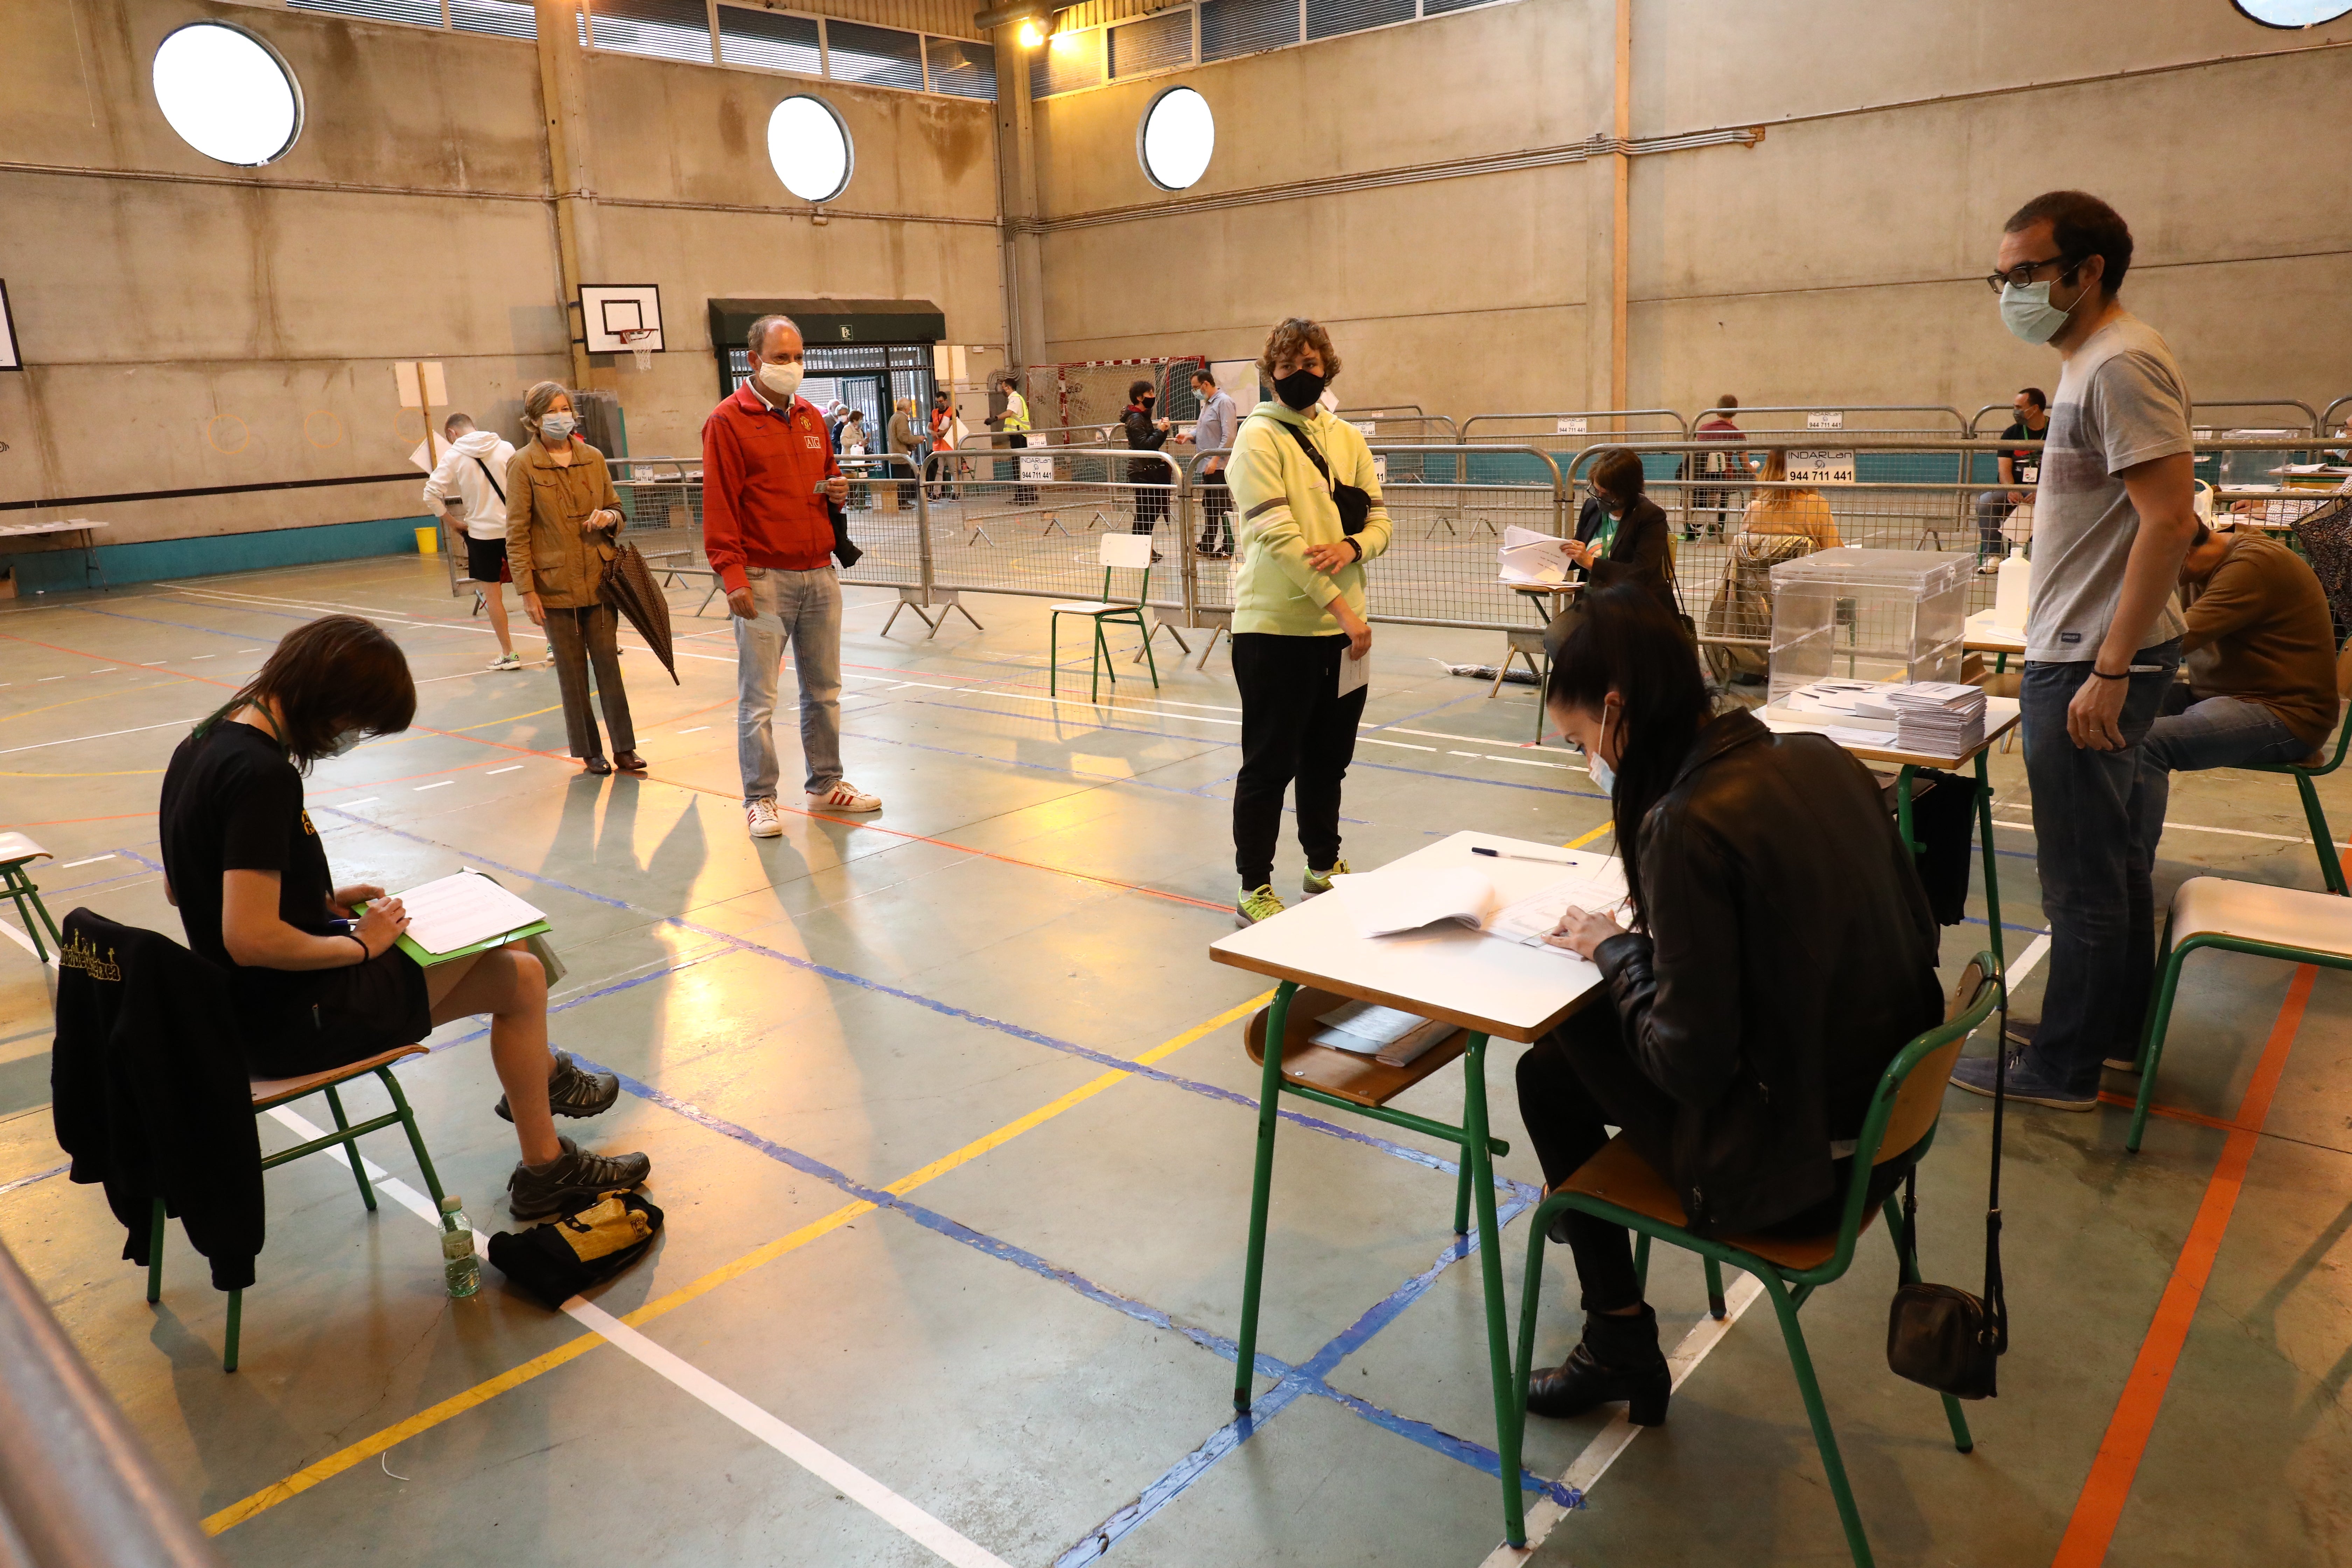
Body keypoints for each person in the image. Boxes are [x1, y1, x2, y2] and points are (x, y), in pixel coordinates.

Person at [1516, 584, 1940, 1424]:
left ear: (1615, 709)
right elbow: (1913, 933)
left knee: (1547, 1074)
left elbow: (1688, 1061)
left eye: (1580, 742)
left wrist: (1615, 949)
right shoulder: (1818, 756)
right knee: (1572, 1060)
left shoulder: (1681, 822)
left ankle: (1618, 1337)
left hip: (1797, 1172)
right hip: (1886, 1133)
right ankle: (1600, 1284)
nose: (1588, 763)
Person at [156, 615, 651, 1219]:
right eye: (355, 722)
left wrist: (316, 902)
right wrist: (360, 946)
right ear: (329, 702)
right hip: (290, 1023)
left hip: (241, 1011)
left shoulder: (202, 742)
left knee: (512, 961)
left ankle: (546, 1121)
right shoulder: (263, 776)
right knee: (518, 968)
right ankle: (547, 1140)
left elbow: (183, 888)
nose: (349, 737)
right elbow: (249, 936)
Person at [1949, 190, 2200, 1112]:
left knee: (2082, 876)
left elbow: (2170, 520)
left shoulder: (2120, 362)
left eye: (2026, 273)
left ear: (2086, 271)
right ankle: (2106, 1034)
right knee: (2113, 864)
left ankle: (2065, 1069)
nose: (2010, 290)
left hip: (2099, 661)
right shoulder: (2091, 361)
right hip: (2090, 650)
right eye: (2002, 275)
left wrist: (2107, 666)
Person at [1225, 317, 1392, 926]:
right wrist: (1344, 609)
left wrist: (1353, 549)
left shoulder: (1347, 438)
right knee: (1271, 764)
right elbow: (1277, 537)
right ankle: (1253, 886)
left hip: (1345, 637)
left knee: (1329, 760)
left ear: (1329, 369)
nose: (1301, 375)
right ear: (1271, 374)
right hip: (1277, 634)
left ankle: (1324, 865)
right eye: (1288, 366)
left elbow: (1380, 522)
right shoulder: (1258, 440)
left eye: (1311, 364)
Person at [704, 314, 878, 840]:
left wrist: (837, 487)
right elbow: (720, 506)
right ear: (754, 361)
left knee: (824, 690)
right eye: (782, 358)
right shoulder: (727, 422)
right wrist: (732, 574)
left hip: (818, 574)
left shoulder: (810, 418)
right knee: (760, 698)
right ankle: (760, 798)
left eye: (799, 357)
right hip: (762, 579)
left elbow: (827, 472)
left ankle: (827, 781)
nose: (794, 367)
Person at [2133, 519, 2341, 867]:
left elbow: (2172, 642)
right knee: (2107, 717)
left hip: (2284, 712)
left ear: (2181, 552)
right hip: (2217, 695)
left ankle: (2125, 874)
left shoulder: (2252, 566)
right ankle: (2091, 848)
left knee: (2145, 742)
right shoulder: (2200, 564)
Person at [506, 381, 641, 777]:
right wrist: (527, 590)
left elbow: (617, 508)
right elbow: (516, 533)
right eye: (553, 411)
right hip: (554, 587)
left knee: (608, 667)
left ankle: (625, 748)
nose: (562, 417)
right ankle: (589, 751)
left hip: (600, 581)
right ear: (534, 420)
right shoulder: (523, 464)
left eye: (566, 408)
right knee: (571, 671)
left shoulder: (594, 458)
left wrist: (610, 519)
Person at [1702, 448, 1841, 683]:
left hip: (1753, 603)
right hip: (1800, 602)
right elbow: (1834, 553)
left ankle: (1751, 662)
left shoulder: (1754, 509)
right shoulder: (1816, 505)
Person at [422, 413, 527, 671]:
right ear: (475, 428)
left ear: (451, 434)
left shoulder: (453, 456)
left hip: (481, 535)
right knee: (533, 588)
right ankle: (552, 647)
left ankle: (509, 654)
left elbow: (431, 494)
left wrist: (454, 523)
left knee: (493, 596)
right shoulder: (506, 447)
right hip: (516, 531)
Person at [1569, 448, 1678, 622]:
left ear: (1627, 491)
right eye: (1597, 491)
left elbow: (1640, 572)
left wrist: (1591, 563)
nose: (1599, 498)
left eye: (1607, 494)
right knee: (1556, 637)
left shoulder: (1650, 516)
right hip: (1593, 602)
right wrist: (1550, 556)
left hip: (1635, 608)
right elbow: (1579, 554)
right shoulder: (1592, 508)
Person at [1974, 387, 2050, 571]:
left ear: (2035, 408)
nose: (2015, 411)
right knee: (1986, 502)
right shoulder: (2011, 433)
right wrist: (2011, 488)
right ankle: (1993, 555)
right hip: (2016, 489)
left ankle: (2047, 560)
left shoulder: (2057, 432)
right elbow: (2004, 469)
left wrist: (2042, 490)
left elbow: (2065, 469)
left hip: (2048, 491)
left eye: (2019, 407)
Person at [1183, 367, 1240, 556]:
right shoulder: (1208, 404)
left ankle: (1229, 545)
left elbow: (1229, 435)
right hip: (1206, 464)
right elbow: (1205, 431)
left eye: (1196, 387)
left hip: (1218, 466)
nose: (1195, 392)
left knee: (1222, 506)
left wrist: (1216, 459)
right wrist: (1189, 436)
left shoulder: (1224, 402)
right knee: (1210, 505)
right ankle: (1207, 543)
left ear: (1206, 384)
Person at [1688, 394, 1752, 539]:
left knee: (1714, 483)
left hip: (1701, 479)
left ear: (1717, 410)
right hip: (1723, 479)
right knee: (1744, 481)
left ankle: (1692, 528)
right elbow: (1746, 466)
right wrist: (1754, 469)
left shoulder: (1703, 430)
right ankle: (1727, 526)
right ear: (1735, 412)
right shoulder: (1737, 434)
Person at [1120, 377, 1173, 537]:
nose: (1152, 396)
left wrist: (1163, 431)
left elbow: (1154, 444)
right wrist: (1160, 431)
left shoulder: (1144, 416)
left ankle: (1144, 547)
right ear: (1139, 397)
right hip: (1141, 471)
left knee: (1151, 511)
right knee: (1145, 512)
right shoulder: (1135, 419)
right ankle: (1139, 548)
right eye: (1149, 393)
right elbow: (1145, 445)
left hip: (1149, 469)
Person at [993, 371, 1036, 505]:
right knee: (1018, 466)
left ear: (1009, 388)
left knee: (1021, 466)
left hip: (1020, 437)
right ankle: (1022, 496)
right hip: (1018, 436)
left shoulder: (1015, 399)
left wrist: (995, 418)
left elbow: (1009, 413)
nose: (1002, 390)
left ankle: (1027, 497)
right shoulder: (1016, 399)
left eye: (1004, 387)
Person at [886, 397, 921, 512]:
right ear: (906, 408)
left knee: (900, 479)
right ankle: (903, 502)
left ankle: (901, 501)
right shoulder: (901, 418)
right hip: (901, 455)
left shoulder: (894, 417)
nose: (910, 409)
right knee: (904, 480)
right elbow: (903, 436)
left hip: (895, 453)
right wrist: (917, 439)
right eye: (910, 407)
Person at [839, 410, 870, 510]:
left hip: (859, 460)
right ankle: (851, 502)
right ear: (855, 420)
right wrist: (855, 441)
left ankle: (861, 501)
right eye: (860, 419)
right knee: (851, 482)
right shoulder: (847, 429)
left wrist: (866, 441)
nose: (862, 421)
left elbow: (862, 443)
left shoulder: (859, 430)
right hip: (849, 460)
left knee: (862, 479)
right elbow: (844, 441)